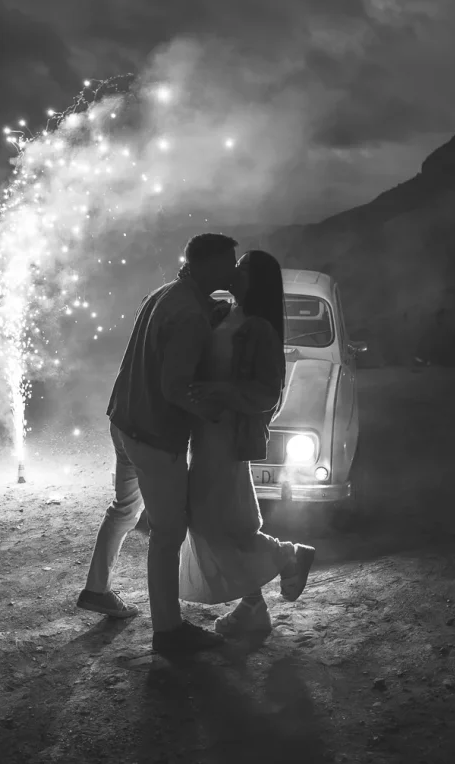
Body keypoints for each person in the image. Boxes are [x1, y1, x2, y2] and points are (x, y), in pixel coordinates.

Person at [77, 232, 238, 656]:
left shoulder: (163, 294)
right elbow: (174, 387)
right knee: (168, 532)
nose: (234, 270)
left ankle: (97, 589)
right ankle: (168, 630)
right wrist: (216, 414)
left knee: (124, 509)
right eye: (228, 263)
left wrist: (210, 317)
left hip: (123, 420)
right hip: (153, 434)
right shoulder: (191, 315)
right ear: (207, 265)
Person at [179, 250, 315, 638]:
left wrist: (219, 391)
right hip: (208, 433)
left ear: (255, 282)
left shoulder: (260, 330)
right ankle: (254, 604)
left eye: (241, 269)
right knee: (229, 519)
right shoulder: (225, 313)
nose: (233, 272)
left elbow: (268, 394)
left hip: (227, 436)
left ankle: (286, 556)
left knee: (207, 519)